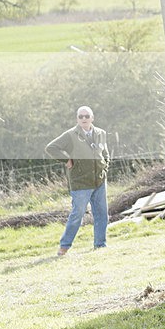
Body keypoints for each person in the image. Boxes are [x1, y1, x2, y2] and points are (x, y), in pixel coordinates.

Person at [46, 106, 110, 256]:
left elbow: (105, 154)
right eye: (80, 116)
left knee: (102, 214)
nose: (84, 119)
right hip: (81, 183)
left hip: (99, 181)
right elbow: (51, 148)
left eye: (87, 116)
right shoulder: (70, 135)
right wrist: (66, 159)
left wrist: (105, 169)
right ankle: (64, 246)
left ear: (92, 118)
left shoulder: (101, 133)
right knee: (77, 214)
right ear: (77, 119)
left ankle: (100, 245)